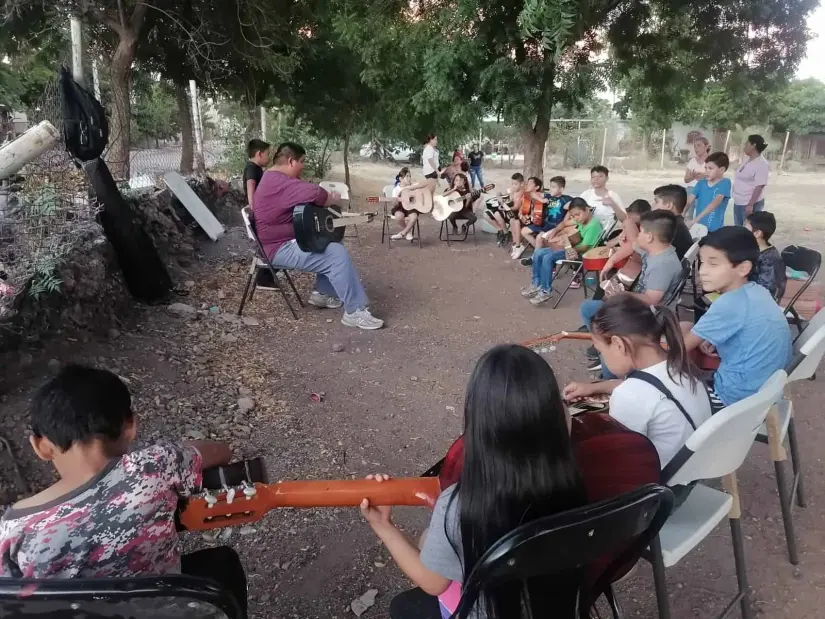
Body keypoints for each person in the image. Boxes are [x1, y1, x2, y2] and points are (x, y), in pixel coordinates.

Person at [359, 345, 587, 619]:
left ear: (478, 426)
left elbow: (433, 583)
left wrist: (383, 526)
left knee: (404, 605)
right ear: (555, 421)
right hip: (557, 608)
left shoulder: (461, 504)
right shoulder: (577, 486)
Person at [0, 366, 248, 614]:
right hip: (165, 611)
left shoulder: (13, 530)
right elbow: (222, 451)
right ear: (130, 426)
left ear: (41, 446)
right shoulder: (153, 465)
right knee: (221, 565)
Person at [563, 296, 713, 477]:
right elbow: (648, 390)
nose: (603, 357)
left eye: (601, 351)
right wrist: (594, 388)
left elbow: (621, 459)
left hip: (660, 489)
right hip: (690, 471)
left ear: (618, 344)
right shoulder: (679, 365)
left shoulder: (629, 395)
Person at [253, 142, 384, 330]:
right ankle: (355, 312)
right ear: (291, 161)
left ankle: (323, 293)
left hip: (278, 243)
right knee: (335, 254)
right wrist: (334, 198)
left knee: (331, 239)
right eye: (302, 162)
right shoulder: (278, 182)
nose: (303, 166)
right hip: (277, 249)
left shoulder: (272, 178)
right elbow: (317, 194)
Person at [682, 226, 792, 406]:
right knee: (686, 327)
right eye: (702, 262)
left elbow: (679, 350)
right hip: (763, 390)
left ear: (743, 268)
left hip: (731, 397)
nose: (702, 271)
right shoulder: (758, 291)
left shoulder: (729, 303)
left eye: (713, 263)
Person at [581, 210, 685, 374]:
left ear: (650, 236)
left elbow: (652, 299)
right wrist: (611, 261)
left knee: (590, 310)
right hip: (638, 305)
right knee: (591, 308)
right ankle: (606, 348)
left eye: (641, 231)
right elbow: (632, 245)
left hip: (649, 316)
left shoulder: (663, 264)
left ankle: (610, 361)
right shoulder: (656, 249)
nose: (639, 235)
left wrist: (621, 295)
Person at [521, 199, 602, 306]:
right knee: (538, 252)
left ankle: (545, 291)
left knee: (547, 258)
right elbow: (564, 223)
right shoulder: (579, 219)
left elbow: (584, 247)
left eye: (577, 214)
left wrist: (567, 247)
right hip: (570, 247)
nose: (575, 218)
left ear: (587, 210)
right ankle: (536, 283)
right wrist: (555, 232)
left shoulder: (593, 225)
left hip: (580, 254)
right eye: (573, 216)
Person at [521, 175, 572, 252]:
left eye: (554, 187)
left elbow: (577, 203)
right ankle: (539, 250)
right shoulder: (548, 196)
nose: (551, 189)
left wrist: (569, 205)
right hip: (544, 223)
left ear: (561, 189)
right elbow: (531, 193)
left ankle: (536, 255)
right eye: (550, 186)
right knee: (524, 231)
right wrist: (541, 200)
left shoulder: (566, 199)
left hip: (555, 225)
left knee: (539, 237)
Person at [745, 211, 787, 300]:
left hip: (760, 301)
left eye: (745, 229)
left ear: (757, 234)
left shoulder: (770, 260)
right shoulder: (752, 248)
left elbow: (766, 291)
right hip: (746, 291)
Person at [686, 152, 731, 232]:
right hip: (698, 229)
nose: (706, 171)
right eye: (705, 168)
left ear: (722, 170)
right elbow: (689, 201)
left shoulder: (725, 183)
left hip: (715, 231)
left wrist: (694, 221)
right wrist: (681, 214)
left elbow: (714, 204)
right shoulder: (701, 183)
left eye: (710, 168)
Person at [733, 135, 770, 226]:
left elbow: (760, 185)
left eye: (747, 144)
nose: (744, 146)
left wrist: (750, 204)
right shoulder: (747, 160)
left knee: (748, 231)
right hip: (739, 201)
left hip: (749, 203)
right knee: (738, 230)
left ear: (753, 145)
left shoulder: (762, 163)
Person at [653, 184, 696, 259]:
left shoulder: (670, 228)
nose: (653, 205)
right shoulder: (677, 223)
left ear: (669, 205)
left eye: (656, 202)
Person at [510, 176, 547, 260]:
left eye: (531, 183)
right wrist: (522, 215)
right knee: (513, 220)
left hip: (539, 221)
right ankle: (516, 245)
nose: (527, 184)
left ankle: (518, 246)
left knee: (516, 222)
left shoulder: (540, 197)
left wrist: (529, 217)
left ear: (537, 187)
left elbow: (538, 215)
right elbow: (523, 210)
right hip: (529, 220)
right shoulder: (527, 196)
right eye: (528, 182)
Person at [579, 165, 625, 230]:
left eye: (600, 176)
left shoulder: (613, 196)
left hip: (605, 234)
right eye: (593, 177)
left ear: (606, 178)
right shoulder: (586, 194)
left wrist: (612, 204)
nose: (596, 179)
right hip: (587, 231)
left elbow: (624, 219)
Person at [484, 173, 523, 245]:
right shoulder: (511, 190)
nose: (513, 186)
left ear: (521, 184)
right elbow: (499, 193)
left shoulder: (521, 194)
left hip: (512, 213)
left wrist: (504, 208)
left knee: (497, 214)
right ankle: (501, 230)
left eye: (515, 184)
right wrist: (500, 199)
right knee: (486, 214)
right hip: (505, 208)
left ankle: (505, 233)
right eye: (512, 184)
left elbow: (516, 207)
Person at [391, 167, 425, 241]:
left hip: (411, 206)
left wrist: (412, 187)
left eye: (410, 176)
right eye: (407, 176)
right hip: (400, 207)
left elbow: (424, 184)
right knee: (399, 216)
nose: (409, 178)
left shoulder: (412, 186)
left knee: (414, 216)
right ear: (401, 179)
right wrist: (396, 201)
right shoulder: (396, 189)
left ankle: (402, 233)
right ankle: (408, 232)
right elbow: (395, 204)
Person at [683, 136, 711, 217]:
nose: (696, 148)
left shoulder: (712, 161)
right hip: (690, 191)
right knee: (687, 216)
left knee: (701, 216)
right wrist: (693, 176)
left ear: (706, 146)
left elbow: (717, 179)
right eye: (695, 146)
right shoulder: (692, 161)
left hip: (705, 191)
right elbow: (686, 180)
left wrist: (704, 176)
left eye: (699, 145)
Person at [243, 139, 270, 209]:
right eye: (268, 154)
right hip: (257, 209)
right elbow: (250, 184)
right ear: (259, 154)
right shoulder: (252, 168)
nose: (269, 158)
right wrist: (252, 206)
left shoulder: (257, 168)